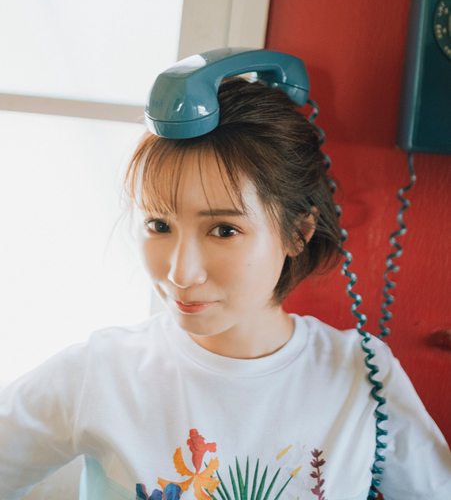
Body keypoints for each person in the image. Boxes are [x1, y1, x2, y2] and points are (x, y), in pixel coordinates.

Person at [0, 76, 450, 500]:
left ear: (299, 231)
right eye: (159, 225)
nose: (181, 273)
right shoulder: (101, 371)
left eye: (224, 230)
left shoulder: (363, 375)